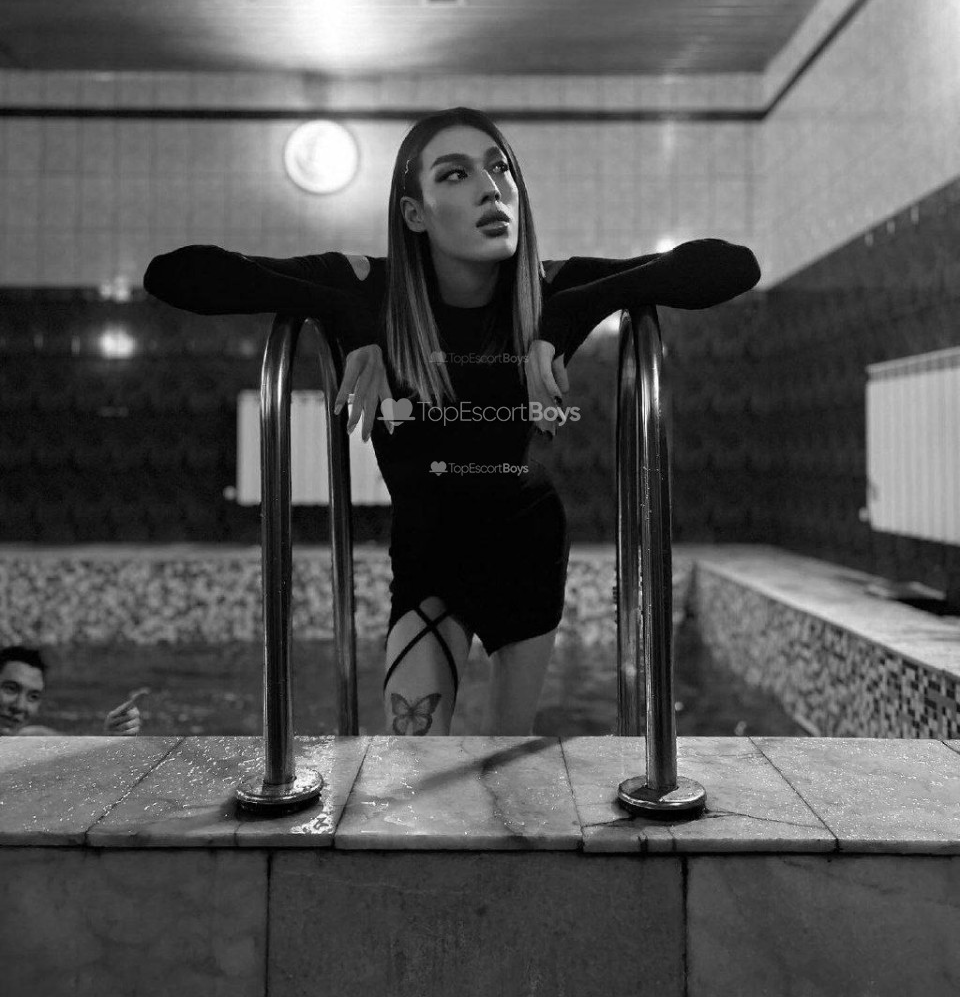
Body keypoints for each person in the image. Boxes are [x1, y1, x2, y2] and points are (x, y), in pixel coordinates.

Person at [143, 106, 760, 738]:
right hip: (428, 554)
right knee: (411, 758)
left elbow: (731, 265)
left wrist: (573, 310)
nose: (491, 189)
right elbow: (178, 275)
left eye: (500, 169)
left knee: (506, 758)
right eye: (456, 174)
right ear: (415, 213)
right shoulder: (366, 286)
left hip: (527, 546)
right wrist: (347, 316)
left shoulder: (548, 291)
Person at [0, 645, 145, 737]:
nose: (19, 706)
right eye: (10, 689)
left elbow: (83, 755)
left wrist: (110, 737)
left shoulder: (36, 739)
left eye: (33, 696)